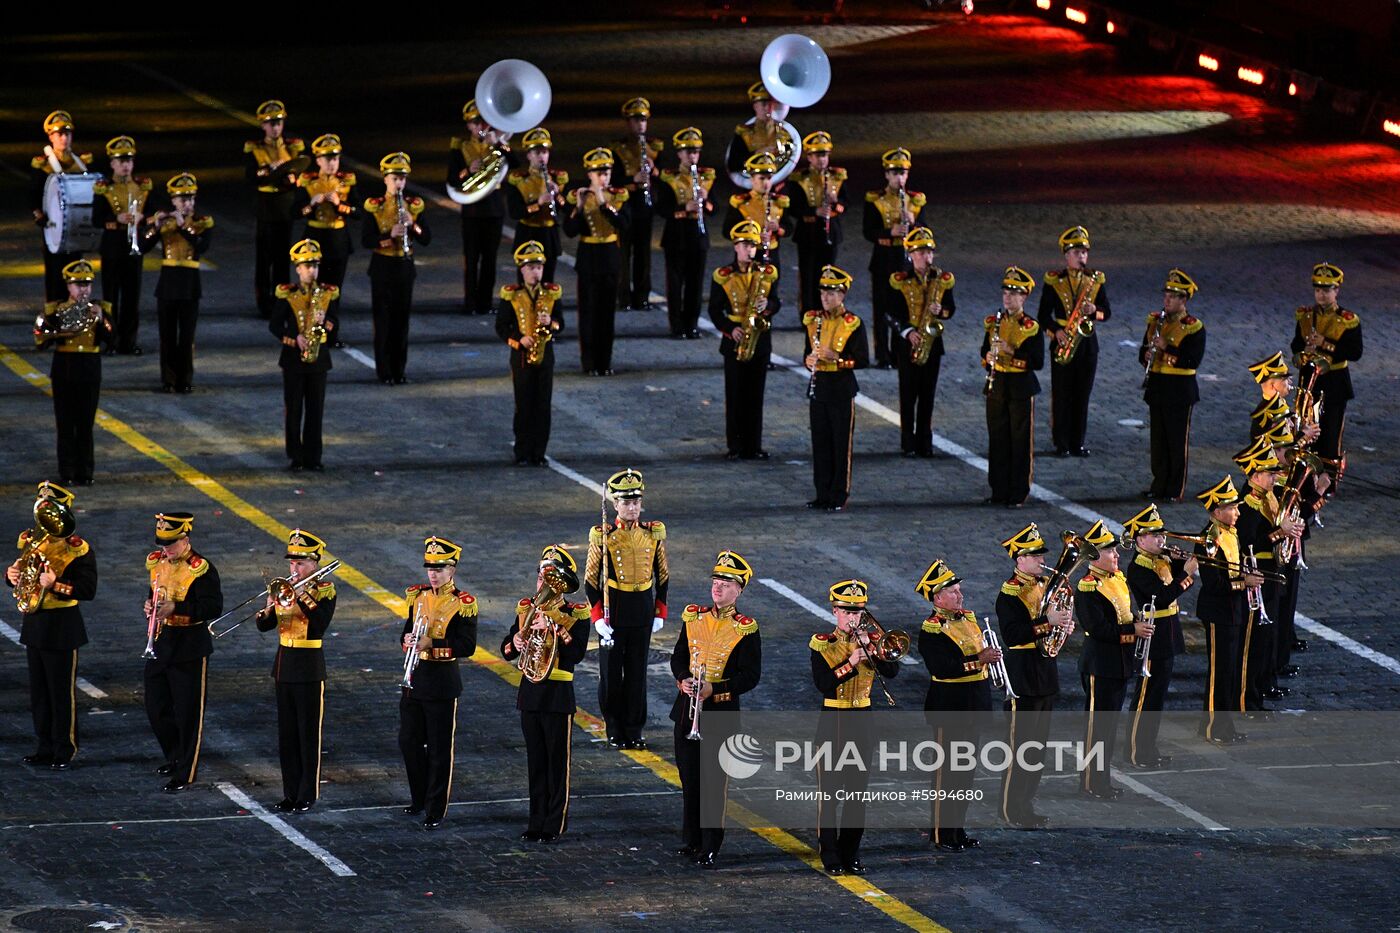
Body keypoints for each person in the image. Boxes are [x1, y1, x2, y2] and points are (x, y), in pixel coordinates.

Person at [670, 550, 761, 868]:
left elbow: (750, 676)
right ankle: (692, 839)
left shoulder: (746, 629)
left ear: (739, 590)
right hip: (687, 710)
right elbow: (679, 656)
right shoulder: (694, 618)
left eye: (726, 583)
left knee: (713, 784)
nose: (718, 586)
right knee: (689, 779)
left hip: (720, 716)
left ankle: (710, 845)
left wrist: (715, 689)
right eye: (716, 581)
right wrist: (683, 678)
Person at [499, 545, 591, 842]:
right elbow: (507, 650)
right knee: (536, 762)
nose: (542, 582)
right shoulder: (526, 609)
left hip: (557, 696)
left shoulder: (575, 614)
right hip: (530, 694)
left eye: (549, 578)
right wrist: (516, 640)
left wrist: (554, 628)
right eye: (540, 576)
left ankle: (554, 823)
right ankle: (535, 820)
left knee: (556, 763)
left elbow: (576, 654)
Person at [811, 579, 899, 873]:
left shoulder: (872, 641)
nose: (852, 617)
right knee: (830, 794)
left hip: (862, 718)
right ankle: (829, 852)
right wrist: (850, 662)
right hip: (833, 719)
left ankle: (851, 851)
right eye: (847, 611)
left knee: (856, 794)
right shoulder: (822, 644)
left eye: (857, 612)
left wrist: (874, 651)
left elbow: (892, 670)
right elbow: (823, 684)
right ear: (835, 611)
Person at [7, 481, 93, 770]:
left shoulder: (77, 549)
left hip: (62, 626)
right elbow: (23, 576)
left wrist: (57, 584)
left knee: (60, 693)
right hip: (35, 624)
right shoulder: (30, 540)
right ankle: (44, 745)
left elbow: (87, 589)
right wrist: (11, 576)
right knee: (39, 693)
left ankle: (65, 747)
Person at [994, 524, 1072, 828]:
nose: (1042, 560)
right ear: (1020, 559)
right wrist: (1047, 622)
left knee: (1037, 750)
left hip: (1044, 672)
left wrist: (1063, 625)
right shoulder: (1009, 594)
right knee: (1020, 748)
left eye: (1041, 554)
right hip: (1022, 673)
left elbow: (1053, 621)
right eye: (1035, 555)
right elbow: (1013, 635)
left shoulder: (1045, 585)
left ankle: (1026, 804)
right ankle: (1010, 808)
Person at [399, 536, 478, 830]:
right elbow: (406, 631)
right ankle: (418, 798)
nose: (433, 574)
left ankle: (435, 807)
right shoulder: (417, 597)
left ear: (452, 570)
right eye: (430, 568)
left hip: (442, 682)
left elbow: (467, 646)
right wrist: (408, 639)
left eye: (439, 568)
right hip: (415, 680)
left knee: (439, 749)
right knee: (408, 742)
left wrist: (432, 643)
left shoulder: (463, 603)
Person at [585, 469, 669, 749]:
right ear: (615, 504)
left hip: (641, 608)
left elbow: (662, 575)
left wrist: (659, 610)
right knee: (611, 674)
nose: (632, 508)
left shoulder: (652, 533)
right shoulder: (603, 535)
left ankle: (634, 729)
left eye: (636, 502)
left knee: (636, 674)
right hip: (615, 608)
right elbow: (591, 580)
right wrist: (598, 618)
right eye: (626, 502)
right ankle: (614, 727)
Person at [254, 529, 336, 812]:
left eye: (300, 563)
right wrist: (267, 609)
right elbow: (264, 626)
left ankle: (307, 794)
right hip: (284, 665)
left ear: (314, 563)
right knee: (287, 736)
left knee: (307, 734)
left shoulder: (324, 590)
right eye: (292, 563)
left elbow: (319, 624)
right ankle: (290, 793)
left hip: (309, 667)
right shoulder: (284, 590)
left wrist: (301, 596)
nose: (294, 569)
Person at [917, 560, 995, 850]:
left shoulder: (968, 619)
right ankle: (941, 833)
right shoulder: (932, 630)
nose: (960, 595)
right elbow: (942, 668)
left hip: (974, 704)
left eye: (959, 590)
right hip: (949, 708)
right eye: (953, 591)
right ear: (938, 597)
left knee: (964, 775)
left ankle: (957, 829)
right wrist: (979, 660)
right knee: (946, 775)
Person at [142, 511, 222, 792]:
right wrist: (149, 606)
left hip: (189, 647)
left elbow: (213, 607)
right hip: (161, 641)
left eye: (171, 543)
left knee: (189, 714)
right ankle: (174, 756)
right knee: (156, 707)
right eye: (163, 544)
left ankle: (186, 770)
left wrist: (177, 608)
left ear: (185, 539)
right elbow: (154, 592)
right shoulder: (158, 563)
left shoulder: (201, 569)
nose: (166, 549)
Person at [1121, 504, 1195, 769]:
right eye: (1155, 535)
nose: (1161, 539)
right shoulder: (1138, 568)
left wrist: (1181, 561)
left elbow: (1175, 585)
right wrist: (1186, 573)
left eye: (1161, 534)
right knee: (1146, 698)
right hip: (1153, 636)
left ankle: (1149, 748)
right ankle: (1136, 751)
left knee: (1157, 698)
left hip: (1168, 632)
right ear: (1140, 540)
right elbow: (1163, 596)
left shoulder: (1160, 559)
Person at [1074, 521, 1144, 798]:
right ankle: (1092, 782)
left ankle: (1101, 780)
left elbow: (1123, 614)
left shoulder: (1116, 579)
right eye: (1110, 551)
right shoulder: (1088, 588)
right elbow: (1099, 629)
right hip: (1100, 665)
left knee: (1110, 727)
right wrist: (1133, 630)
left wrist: (1137, 621)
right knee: (1097, 728)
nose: (1116, 555)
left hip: (1118, 663)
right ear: (1095, 556)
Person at [1232, 437, 1301, 714]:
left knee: (1267, 639)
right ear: (1255, 475)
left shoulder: (1267, 498)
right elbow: (1249, 542)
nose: (1275, 477)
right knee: (1253, 644)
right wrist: (1280, 533)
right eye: (1270, 473)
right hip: (1257, 574)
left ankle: (1259, 691)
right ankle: (1247, 699)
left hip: (1271, 571)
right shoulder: (1247, 505)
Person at [1193, 476, 1262, 746]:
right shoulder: (1209, 540)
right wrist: (1244, 582)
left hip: (1233, 610)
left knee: (1230, 671)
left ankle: (1224, 725)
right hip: (1217, 612)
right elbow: (1214, 583)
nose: (1238, 513)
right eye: (1232, 508)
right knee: (1219, 673)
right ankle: (1212, 727)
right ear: (1217, 511)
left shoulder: (1230, 533)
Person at [34, 260, 113, 485]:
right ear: (68, 286)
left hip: (89, 368)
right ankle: (67, 472)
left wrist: (102, 319)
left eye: (87, 285)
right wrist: (55, 326)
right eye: (78, 285)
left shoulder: (101, 308)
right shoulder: (55, 309)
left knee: (86, 423)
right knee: (65, 423)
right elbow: (41, 341)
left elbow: (113, 339)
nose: (83, 289)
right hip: (65, 368)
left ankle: (85, 472)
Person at [708, 220, 779, 461]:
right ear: (735, 247)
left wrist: (768, 305)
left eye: (753, 246)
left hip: (760, 340)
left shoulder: (766, 274)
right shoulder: (723, 276)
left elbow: (777, 302)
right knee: (735, 395)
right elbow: (714, 310)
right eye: (745, 245)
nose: (750, 250)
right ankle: (735, 446)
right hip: (735, 340)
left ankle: (754, 445)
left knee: (755, 396)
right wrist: (731, 329)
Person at [1039, 226, 1110, 458]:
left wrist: (1094, 310)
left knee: (1082, 395)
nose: (1082, 257)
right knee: (1062, 395)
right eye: (1077, 252)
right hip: (1063, 341)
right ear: (1066, 255)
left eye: (1084, 253)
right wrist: (1056, 332)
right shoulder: (1054, 281)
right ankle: (1061, 443)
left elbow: (1107, 313)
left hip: (1087, 345)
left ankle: (1077, 442)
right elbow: (1042, 316)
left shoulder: (1095, 280)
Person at [804, 265, 869, 511]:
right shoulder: (813, 320)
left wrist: (837, 359)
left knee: (841, 445)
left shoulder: (852, 323)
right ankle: (822, 493)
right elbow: (806, 352)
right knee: (820, 444)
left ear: (842, 295)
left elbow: (862, 360)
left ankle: (839, 495)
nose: (825, 298)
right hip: (819, 388)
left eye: (831, 294)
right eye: (823, 293)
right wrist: (808, 360)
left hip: (841, 390)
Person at [140, 172, 213, 394]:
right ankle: (169, 379)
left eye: (190, 199)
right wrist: (155, 226)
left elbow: (201, 246)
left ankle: (185, 379)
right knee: (167, 336)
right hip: (168, 285)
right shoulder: (166, 222)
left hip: (190, 285)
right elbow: (143, 247)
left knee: (187, 336)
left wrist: (182, 226)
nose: (187, 204)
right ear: (173, 201)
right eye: (182, 199)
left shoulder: (202, 222)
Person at [362, 152, 429, 385]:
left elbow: (426, 239)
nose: (399, 183)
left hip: (404, 267)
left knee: (401, 323)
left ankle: (399, 370)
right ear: (385, 180)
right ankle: (385, 372)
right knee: (383, 322)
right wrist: (387, 236)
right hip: (382, 267)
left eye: (402, 179)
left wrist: (414, 225)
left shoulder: (414, 206)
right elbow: (366, 240)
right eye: (394, 179)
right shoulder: (375, 207)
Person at [563, 148, 630, 376]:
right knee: (588, 313)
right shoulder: (578, 196)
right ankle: (590, 362)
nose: (604, 178)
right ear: (589, 175)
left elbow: (623, 224)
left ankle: (605, 361)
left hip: (609, 256)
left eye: (607, 173)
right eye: (599, 173)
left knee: (607, 313)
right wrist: (579, 207)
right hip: (589, 257)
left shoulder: (618, 196)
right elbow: (570, 230)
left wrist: (603, 202)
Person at [1140, 269, 1205, 502]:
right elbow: (1142, 350)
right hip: (1157, 387)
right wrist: (1146, 355)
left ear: (1183, 300)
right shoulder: (1155, 321)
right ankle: (1158, 484)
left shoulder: (1193, 327)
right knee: (1158, 442)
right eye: (1166, 295)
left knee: (1176, 443)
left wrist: (1167, 347)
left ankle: (1175, 489)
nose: (1166, 300)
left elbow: (1192, 360)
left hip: (1179, 391)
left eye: (1172, 296)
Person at [273, 240, 339, 471]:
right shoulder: (288, 294)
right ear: (298, 269)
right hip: (293, 360)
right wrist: (294, 339)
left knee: (315, 411)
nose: (312, 271)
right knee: (293, 410)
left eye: (315, 266)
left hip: (319, 360)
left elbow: (335, 325)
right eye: (307, 266)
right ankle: (296, 456)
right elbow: (275, 325)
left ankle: (314, 457)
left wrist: (325, 322)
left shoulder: (327, 294)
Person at [890, 227, 955, 458]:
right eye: (921, 253)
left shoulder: (942, 280)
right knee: (908, 395)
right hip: (908, 344)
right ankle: (908, 442)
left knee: (928, 395)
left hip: (932, 344)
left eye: (929, 252)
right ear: (911, 255)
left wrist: (941, 311)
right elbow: (890, 313)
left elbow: (951, 309)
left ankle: (925, 442)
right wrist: (908, 332)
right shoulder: (900, 281)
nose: (926, 257)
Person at [497, 241, 564, 466]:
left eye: (539, 268)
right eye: (531, 268)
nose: (536, 272)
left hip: (545, 355)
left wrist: (551, 322)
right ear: (522, 270)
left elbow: (561, 324)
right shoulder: (512, 295)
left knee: (543, 406)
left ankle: (539, 452)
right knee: (523, 405)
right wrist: (518, 339)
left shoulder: (551, 294)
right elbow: (501, 326)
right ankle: (522, 451)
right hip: (522, 357)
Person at [862, 147, 930, 368]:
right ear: (887, 175)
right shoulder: (875, 200)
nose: (899, 178)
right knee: (882, 308)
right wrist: (889, 232)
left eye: (903, 173)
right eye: (895, 173)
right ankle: (883, 354)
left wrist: (914, 222)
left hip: (905, 259)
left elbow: (926, 230)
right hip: (884, 258)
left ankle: (901, 352)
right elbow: (868, 231)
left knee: (904, 307)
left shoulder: (915, 201)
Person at [982, 266, 1043, 509]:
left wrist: (1011, 351)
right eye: (1006, 293)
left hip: (1020, 387)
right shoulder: (994, 322)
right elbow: (983, 351)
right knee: (997, 440)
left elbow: (1037, 361)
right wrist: (987, 357)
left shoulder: (1031, 326)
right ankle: (998, 490)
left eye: (1014, 293)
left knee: (1020, 442)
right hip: (996, 385)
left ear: (1024, 297)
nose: (1007, 298)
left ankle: (1018, 492)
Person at [448, 99, 515, 315]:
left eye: (484, 123)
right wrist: (467, 170)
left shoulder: (497, 144)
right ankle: (470, 303)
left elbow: (515, 163)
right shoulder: (461, 147)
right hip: (472, 210)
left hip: (493, 209)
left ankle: (485, 303)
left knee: (490, 259)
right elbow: (452, 179)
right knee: (471, 258)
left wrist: (499, 144)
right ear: (469, 125)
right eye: (476, 123)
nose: (480, 127)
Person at [1291, 262, 1362, 462]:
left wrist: (1325, 343)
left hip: (1335, 381)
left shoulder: (1347, 320)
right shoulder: (1305, 316)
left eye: (1326, 290)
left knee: (1331, 433)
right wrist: (1303, 351)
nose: (1321, 295)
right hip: (1309, 382)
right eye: (1318, 290)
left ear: (1336, 290)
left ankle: (1329, 475)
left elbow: (1355, 352)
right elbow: (1295, 344)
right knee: (1307, 430)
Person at [295, 133, 357, 346]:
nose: (332, 163)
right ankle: (311, 333)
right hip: (315, 238)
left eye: (335, 158)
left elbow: (358, 212)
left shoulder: (346, 181)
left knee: (334, 291)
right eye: (328, 159)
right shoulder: (308, 181)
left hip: (338, 240)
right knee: (314, 290)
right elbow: (295, 212)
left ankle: (332, 334)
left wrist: (340, 205)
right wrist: (311, 204)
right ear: (318, 160)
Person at [245, 100, 306, 318]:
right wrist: (267, 170)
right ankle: (264, 303)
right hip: (266, 206)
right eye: (271, 124)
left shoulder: (293, 146)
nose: (276, 128)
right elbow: (250, 176)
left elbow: (302, 173)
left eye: (279, 123)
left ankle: (282, 301)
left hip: (285, 205)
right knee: (264, 259)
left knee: (282, 258)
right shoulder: (255, 148)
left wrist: (293, 179)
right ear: (263, 125)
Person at [91, 135, 150, 355]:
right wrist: (116, 219)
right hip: (112, 247)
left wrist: (143, 217)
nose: (126, 165)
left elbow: (153, 213)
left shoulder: (142, 187)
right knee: (111, 297)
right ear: (112, 163)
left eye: (129, 161)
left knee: (132, 297)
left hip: (133, 248)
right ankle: (110, 340)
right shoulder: (104, 189)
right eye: (121, 161)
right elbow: (96, 219)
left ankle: (128, 342)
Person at [655, 127, 715, 339]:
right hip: (676, 236)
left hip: (698, 237)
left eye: (696, 152)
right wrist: (684, 208)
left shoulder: (706, 177)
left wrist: (706, 201)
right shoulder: (669, 178)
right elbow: (661, 208)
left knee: (695, 284)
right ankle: (677, 326)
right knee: (675, 285)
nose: (692, 156)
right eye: (688, 152)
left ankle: (692, 324)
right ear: (679, 153)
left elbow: (715, 209)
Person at [31, 110, 94, 301]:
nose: (64, 138)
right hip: (53, 228)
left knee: (76, 270)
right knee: (55, 272)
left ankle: (74, 308)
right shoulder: (43, 165)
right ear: (51, 137)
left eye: (67, 134)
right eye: (59, 134)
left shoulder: (80, 164)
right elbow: (34, 194)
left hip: (76, 226)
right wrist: (39, 215)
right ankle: (54, 310)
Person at [785, 130, 848, 316]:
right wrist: (814, 212)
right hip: (808, 233)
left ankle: (826, 311)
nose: (822, 160)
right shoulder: (799, 178)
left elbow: (847, 203)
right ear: (810, 157)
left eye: (825, 155)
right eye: (818, 156)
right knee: (808, 276)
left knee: (827, 274)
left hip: (831, 232)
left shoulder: (837, 176)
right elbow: (792, 208)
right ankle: (808, 313)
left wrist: (836, 203)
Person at [611, 97, 664, 311]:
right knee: (624, 253)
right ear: (628, 122)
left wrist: (654, 171)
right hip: (626, 205)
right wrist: (633, 179)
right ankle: (623, 297)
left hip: (644, 204)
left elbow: (665, 178)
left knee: (643, 253)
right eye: (636, 120)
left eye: (643, 120)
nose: (640, 125)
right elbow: (613, 181)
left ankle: (642, 296)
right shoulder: (618, 148)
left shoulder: (655, 148)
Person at [504, 128, 566, 284]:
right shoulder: (518, 180)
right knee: (525, 282)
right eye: (537, 153)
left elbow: (567, 209)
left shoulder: (558, 179)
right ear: (529, 155)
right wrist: (538, 204)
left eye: (544, 152)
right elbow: (515, 212)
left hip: (549, 235)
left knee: (548, 281)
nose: (542, 156)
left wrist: (557, 195)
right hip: (528, 234)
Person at [723, 152, 789, 287]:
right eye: (761, 178)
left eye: (769, 178)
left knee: (771, 292)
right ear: (752, 179)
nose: (766, 183)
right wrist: (752, 237)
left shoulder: (778, 202)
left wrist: (778, 229)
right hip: (747, 256)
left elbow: (789, 227)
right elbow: (726, 231)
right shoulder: (741, 203)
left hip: (771, 255)